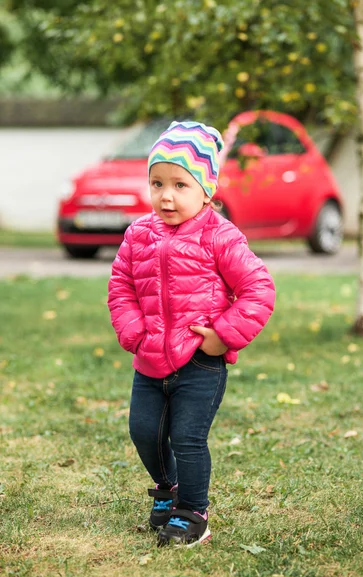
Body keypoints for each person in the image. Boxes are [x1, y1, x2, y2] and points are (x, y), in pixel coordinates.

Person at [108, 121, 276, 547]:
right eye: (157, 182)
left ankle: (193, 512)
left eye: (181, 184)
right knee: (143, 430)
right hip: (149, 356)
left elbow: (258, 289)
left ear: (207, 190)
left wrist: (223, 335)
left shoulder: (220, 236)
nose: (166, 195)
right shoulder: (138, 235)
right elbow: (121, 285)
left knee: (187, 437)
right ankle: (168, 490)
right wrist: (133, 333)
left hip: (200, 359)